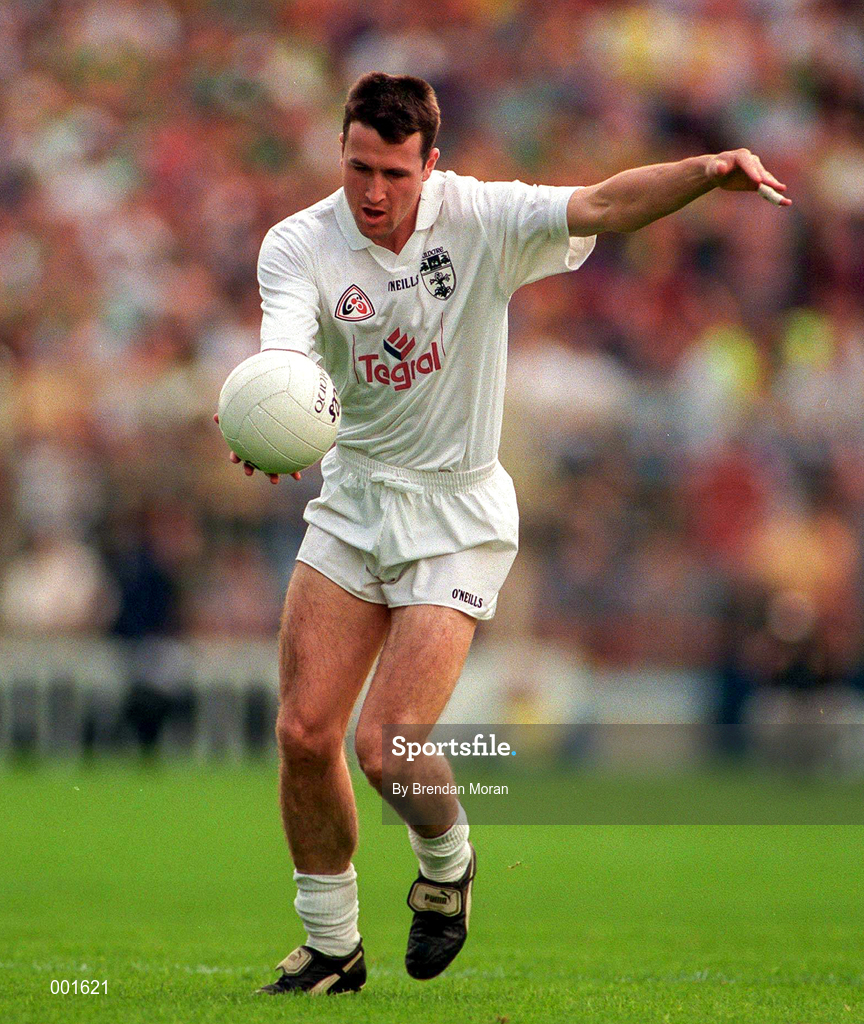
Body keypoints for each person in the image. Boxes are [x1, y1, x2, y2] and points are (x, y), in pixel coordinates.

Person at [216, 72, 790, 995]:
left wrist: (706, 170)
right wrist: (270, 418)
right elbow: (284, 355)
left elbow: (603, 202)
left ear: (430, 164)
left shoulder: (481, 218)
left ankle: (448, 864)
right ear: (342, 152)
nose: (373, 191)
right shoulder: (298, 244)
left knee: (388, 745)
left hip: (457, 512)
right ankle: (331, 947)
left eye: (395, 173)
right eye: (359, 167)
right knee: (303, 731)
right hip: (354, 501)